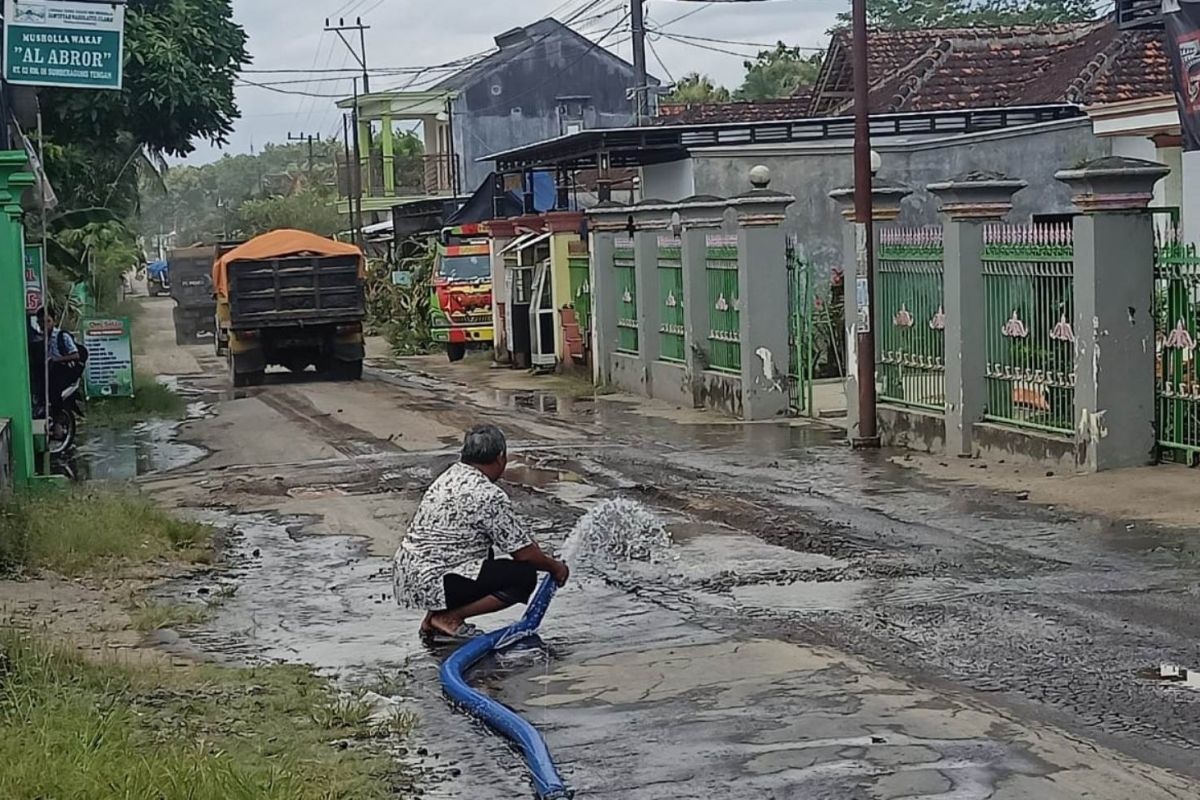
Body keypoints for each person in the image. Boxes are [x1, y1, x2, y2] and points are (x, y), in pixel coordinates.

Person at [393, 424, 569, 641]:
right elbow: (524, 555)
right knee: (522, 576)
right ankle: (449, 618)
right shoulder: (488, 494)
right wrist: (556, 567)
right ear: (500, 458)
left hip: (409, 575)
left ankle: (434, 618)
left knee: (483, 558)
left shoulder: (449, 476)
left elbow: (513, 538)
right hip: (434, 579)